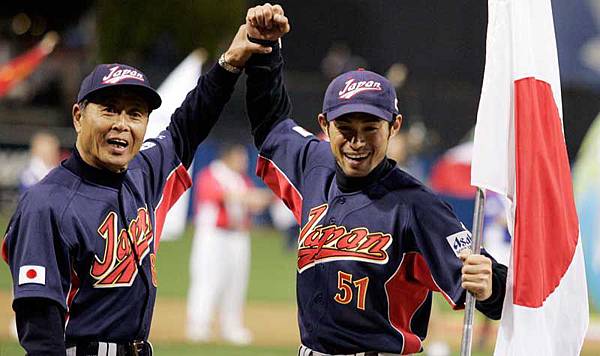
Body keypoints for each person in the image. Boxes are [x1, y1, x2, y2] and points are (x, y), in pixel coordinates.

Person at [242, 4, 507, 355]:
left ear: (393, 127)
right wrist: (265, 49)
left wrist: (491, 285)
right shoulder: (314, 166)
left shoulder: (415, 205)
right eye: (345, 129)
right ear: (324, 125)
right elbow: (270, 124)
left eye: (371, 128)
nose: (357, 141)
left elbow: (492, 286)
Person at [1, 24, 272, 355]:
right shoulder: (46, 203)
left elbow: (188, 124)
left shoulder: (143, 174)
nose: (122, 124)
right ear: (78, 117)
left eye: (135, 113)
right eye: (109, 109)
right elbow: (40, 329)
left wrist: (230, 63)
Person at [186, 144, 271, 345]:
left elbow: (255, 202)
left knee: (236, 283)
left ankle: (231, 327)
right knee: (207, 280)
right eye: (240, 158)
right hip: (213, 236)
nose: (244, 162)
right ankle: (198, 326)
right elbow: (220, 196)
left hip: (238, 236)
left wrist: (263, 198)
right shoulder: (212, 174)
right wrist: (253, 198)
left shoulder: (241, 180)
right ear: (229, 157)